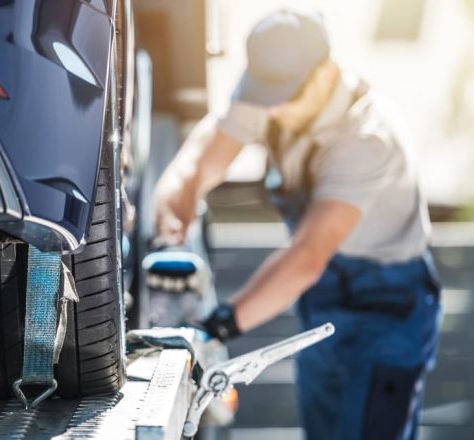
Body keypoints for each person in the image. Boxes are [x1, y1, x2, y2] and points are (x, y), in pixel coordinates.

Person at [153, 9, 443, 440]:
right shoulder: (273, 92)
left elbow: (307, 256)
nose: (272, 109)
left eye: (283, 97)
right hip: (324, 299)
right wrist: (175, 201)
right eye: (263, 94)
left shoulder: (367, 138)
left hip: (386, 308)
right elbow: (202, 157)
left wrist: (216, 328)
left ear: (324, 75)